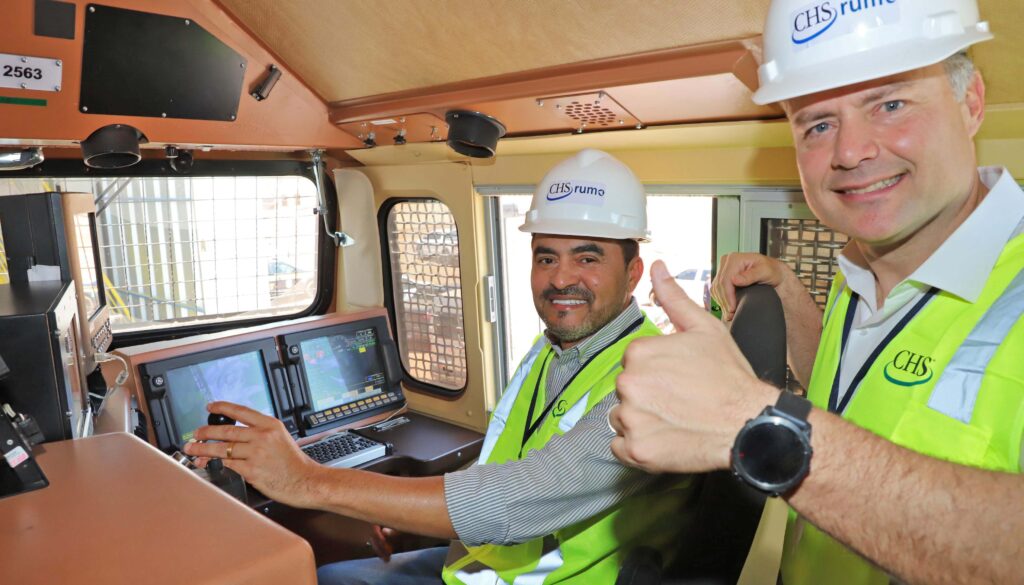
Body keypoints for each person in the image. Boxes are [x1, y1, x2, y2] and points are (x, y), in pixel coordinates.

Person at [609, 1, 1024, 584]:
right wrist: (786, 290)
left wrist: (748, 422)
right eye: (818, 124)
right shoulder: (859, 266)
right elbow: (848, 397)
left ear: (971, 102)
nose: (850, 153)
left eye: (890, 104)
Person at [185, 148, 695, 584]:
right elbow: (508, 457)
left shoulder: (651, 384)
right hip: (483, 560)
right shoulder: (554, 347)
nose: (561, 278)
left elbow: (520, 497)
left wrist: (305, 480)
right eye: (546, 257)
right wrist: (416, 516)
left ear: (632, 274)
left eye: (587, 258)